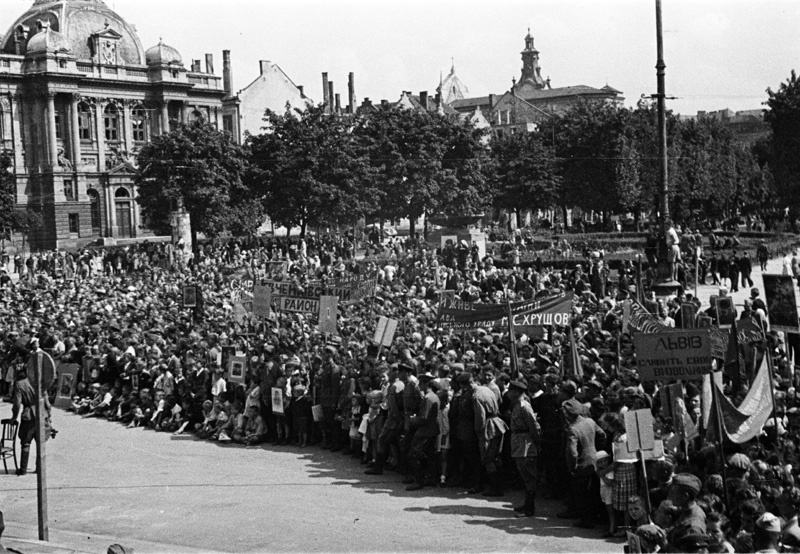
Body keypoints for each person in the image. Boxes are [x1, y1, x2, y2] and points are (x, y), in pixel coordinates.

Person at [562, 397, 606, 529]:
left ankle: (586, 520)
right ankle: (593, 517)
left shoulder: (573, 429)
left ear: (569, 414)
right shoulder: (590, 421)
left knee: (581, 493)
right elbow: (602, 434)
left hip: (581, 464)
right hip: (594, 460)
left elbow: (572, 452)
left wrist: (572, 467)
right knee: (592, 491)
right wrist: (596, 450)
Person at [469, 372, 508, 497]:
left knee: (488, 458)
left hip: (489, 426)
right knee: (497, 456)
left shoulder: (476, 396)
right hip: (498, 423)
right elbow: (499, 401)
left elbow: (480, 418)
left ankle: (495, 487)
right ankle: (501, 485)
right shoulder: (487, 389)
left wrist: (478, 431)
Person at [507, 379, 541, 517]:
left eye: (511, 390)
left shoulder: (524, 406)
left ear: (516, 392)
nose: (508, 393)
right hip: (518, 442)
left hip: (526, 443)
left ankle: (529, 508)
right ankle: (526, 504)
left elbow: (534, 426)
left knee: (529, 476)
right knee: (524, 475)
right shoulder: (517, 404)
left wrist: (537, 443)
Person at [11, 366, 51, 476]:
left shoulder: (19, 384)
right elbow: (47, 403)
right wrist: (49, 416)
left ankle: (23, 469)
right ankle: (39, 468)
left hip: (28, 416)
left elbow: (17, 404)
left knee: (25, 443)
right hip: (42, 415)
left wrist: (14, 417)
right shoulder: (40, 382)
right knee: (40, 443)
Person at [406, 373, 440, 491]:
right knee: (429, 456)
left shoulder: (428, 398)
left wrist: (413, 420)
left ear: (426, 384)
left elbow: (424, 418)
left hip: (425, 432)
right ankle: (431, 479)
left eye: (420, 383)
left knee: (414, 454)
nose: (418, 385)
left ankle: (418, 481)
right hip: (431, 430)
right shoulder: (433, 396)